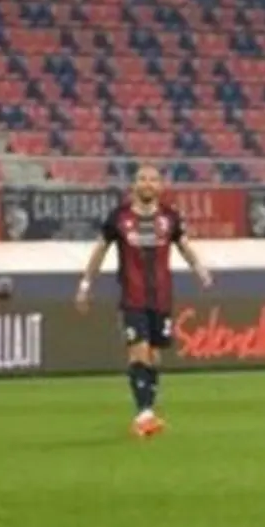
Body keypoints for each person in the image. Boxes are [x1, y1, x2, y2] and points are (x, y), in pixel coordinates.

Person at [74, 165, 213, 437]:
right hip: (132, 298)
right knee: (138, 350)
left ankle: (147, 410)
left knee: (154, 355)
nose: (147, 184)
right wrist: (85, 285)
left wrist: (200, 270)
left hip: (161, 298)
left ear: (160, 186)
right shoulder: (119, 217)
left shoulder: (170, 217)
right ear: (134, 185)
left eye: (152, 179)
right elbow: (100, 250)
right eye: (142, 179)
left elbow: (184, 245)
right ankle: (144, 414)